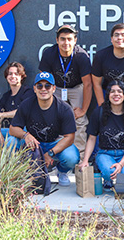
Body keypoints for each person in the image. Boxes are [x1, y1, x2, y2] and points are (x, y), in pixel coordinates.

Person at [9, 72, 80, 187]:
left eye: (47, 86)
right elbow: (12, 129)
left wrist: (50, 153)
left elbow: (70, 137)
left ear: (53, 89)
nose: (43, 89)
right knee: (10, 142)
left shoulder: (64, 108)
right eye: (39, 86)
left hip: (54, 142)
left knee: (72, 157)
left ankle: (61, 171)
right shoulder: (26, 104)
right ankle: (18, 173)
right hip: (33, 143)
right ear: (35, 89)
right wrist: (26, 135)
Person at [38, 24, 93, 157]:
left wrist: (83, 110)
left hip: (76, 87)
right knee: (52, 117)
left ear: (75, 40)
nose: (66, 42)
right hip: (55, 87)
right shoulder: (49, 53)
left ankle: (79, 157)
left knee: (79, 119)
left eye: (69, 39)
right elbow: (43, 81)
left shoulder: (81, 56)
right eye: (62, 39)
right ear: (57, 40)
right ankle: (54, 155)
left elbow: (87, 84)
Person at [78, 81, 124, 188]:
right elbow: (92, 139)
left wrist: (120, 164)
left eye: (119, 91)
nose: (116, 94)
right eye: (112, 91)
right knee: (110, 172)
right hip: (105, 153)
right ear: (108, 95)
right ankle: (104, 174)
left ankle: (118, 176)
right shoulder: (99, 113)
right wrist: (85, 160)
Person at [0, 62, 33, 149]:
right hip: (11, 131)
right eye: (10, 74)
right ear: (6, 77)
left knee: (11, 140)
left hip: (25, 132)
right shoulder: (6, 96)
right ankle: (4, 153)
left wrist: (2, 115)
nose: (13, 76)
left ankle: (11, 158)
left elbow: (22, 112)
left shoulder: (27, 92)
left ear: (21, 77)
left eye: (16, 74)